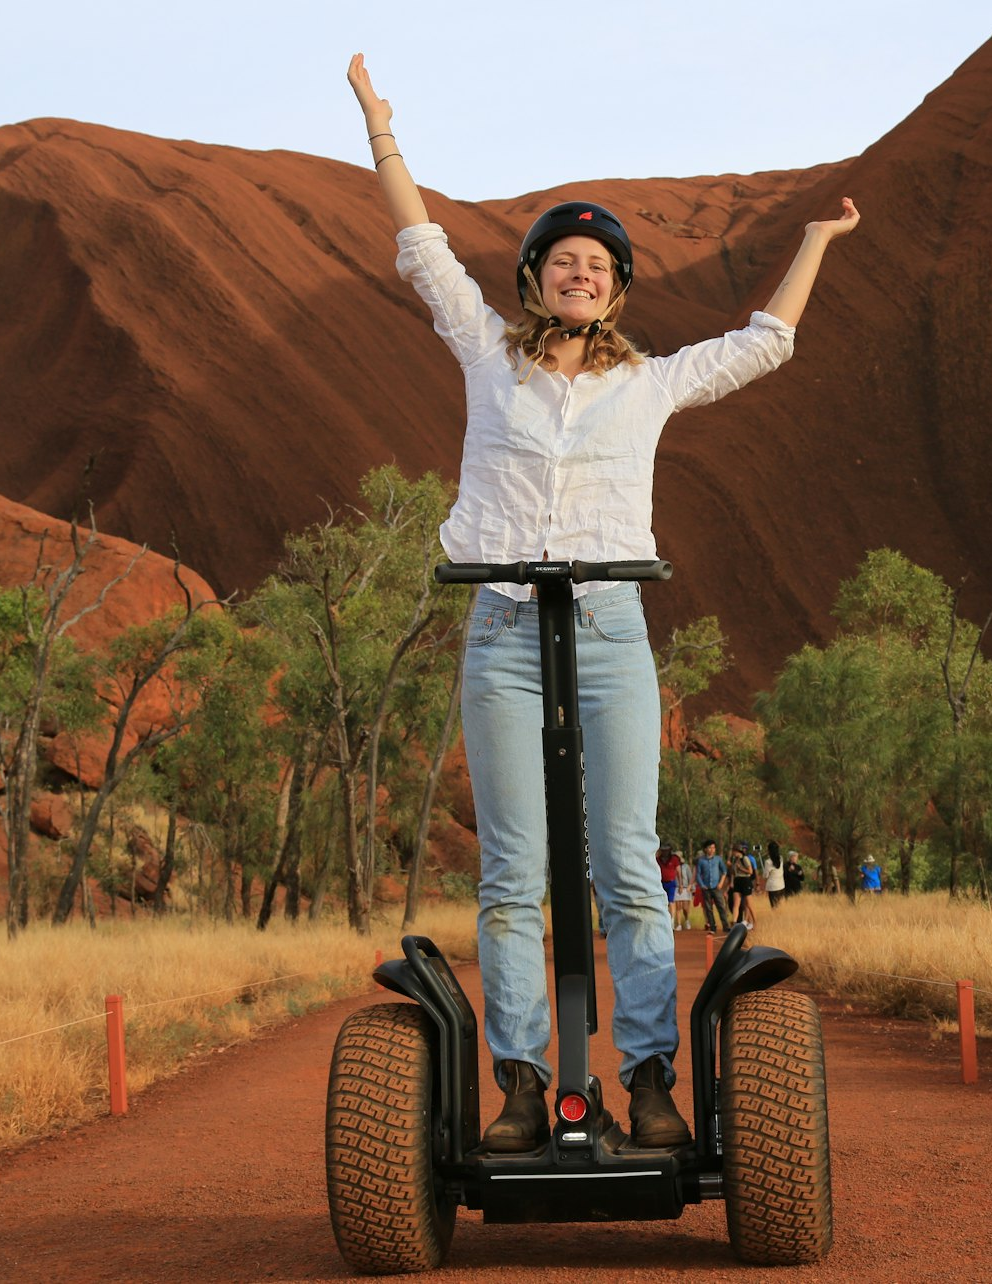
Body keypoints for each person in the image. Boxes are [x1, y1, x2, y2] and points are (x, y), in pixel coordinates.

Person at [346, 52, 859, 1154]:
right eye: (562, 261)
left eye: (597, 265)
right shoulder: (489, 358)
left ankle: (652, 1081)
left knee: (629, 866)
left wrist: (814, 244)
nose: (579, 274)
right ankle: (525, 1085)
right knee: (513, 874)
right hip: (504, 632)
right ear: (535, 282)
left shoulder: (650, 382)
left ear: (617, 291)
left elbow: (766, 347)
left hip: (612, 633)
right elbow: (424, 251)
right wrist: (382, 130)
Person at [696, 839, 730, 935]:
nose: (712, 849)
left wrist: (721, 883)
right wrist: (702, 885)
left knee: (721, 906)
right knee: (708, 908)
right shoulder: (701, 860)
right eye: (710, 847)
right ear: (705, 849)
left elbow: (724, 871)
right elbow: (698, 874)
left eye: (713, 847)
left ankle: (726, 926)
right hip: (706, 888)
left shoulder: (718, 859)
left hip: (716, 887)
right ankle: (712, 927)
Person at [729, 842, 757, 929]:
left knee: (749, 904)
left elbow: (750, 871)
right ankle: (734, 922)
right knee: (736, 903)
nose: (733, 853)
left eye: (733, 851)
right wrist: (732, 882)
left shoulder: (745, 859)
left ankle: (755, 922)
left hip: (745, 880)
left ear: (738, 851)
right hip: (737, 880)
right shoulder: (735, 860)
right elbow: (733, 872)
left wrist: (740, 868)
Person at [656, 846, 681, 921]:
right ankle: (663, 919)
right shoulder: (658, 859)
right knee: (662, 902)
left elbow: (679, 872)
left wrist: (681, 884)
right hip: (660, 883)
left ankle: (672, 920)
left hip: (671, 883)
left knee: (671, 901)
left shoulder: (674, 859)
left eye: (667, 850)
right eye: (663, 850)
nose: (665, 852)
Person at [673, 850, 695, 930]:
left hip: (686, 888)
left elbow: (690, 877)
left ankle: (687, 920)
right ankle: (679, 924)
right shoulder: (673, 866)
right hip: (676, 888)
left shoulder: (686, 866)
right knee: (678, 907)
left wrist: (691, 887)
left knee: (685, 908)